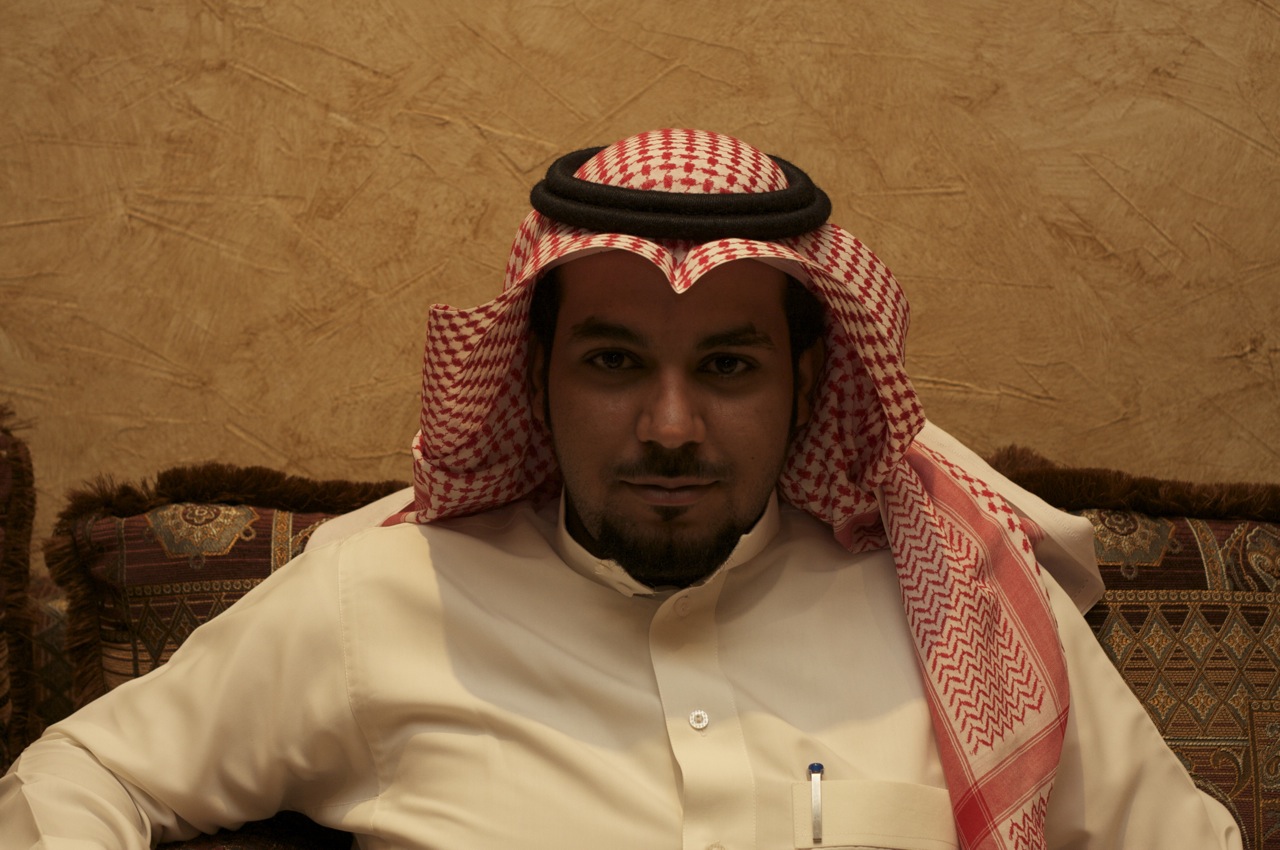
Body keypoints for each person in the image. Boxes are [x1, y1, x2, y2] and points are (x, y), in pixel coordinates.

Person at [1, 129, 1241, 849]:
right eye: (611, 362)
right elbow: (83, 774)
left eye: (728, 366)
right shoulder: (379, 598)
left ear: (809, 382)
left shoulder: (960, 602)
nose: (669, 426)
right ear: (532, 371)